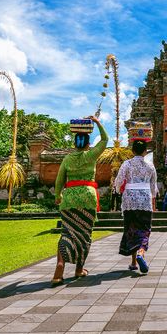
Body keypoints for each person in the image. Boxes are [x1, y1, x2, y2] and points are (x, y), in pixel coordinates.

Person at [51, 116, 107, 286]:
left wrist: (57, 196)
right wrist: (97, 122)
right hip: (88, 198)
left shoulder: (67, 159)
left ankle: (59, 268)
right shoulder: (91, 155)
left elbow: (59, 180)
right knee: (84, 235)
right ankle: (78, 269)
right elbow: (105, 139)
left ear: (74, 144)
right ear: (88, 144)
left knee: (67, 232)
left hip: (69, 199)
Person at [115, 121, 157, 273]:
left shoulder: (126, 164)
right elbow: (154, 187)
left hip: (129, 200)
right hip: (145, 200)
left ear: (132, 150)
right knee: (144, 229)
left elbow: (118, 181)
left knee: (131, 229)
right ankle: (140, 254)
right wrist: (153, 200)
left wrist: (120, 191)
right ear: (146, 151)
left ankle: (133, 262)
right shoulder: (150, 166)